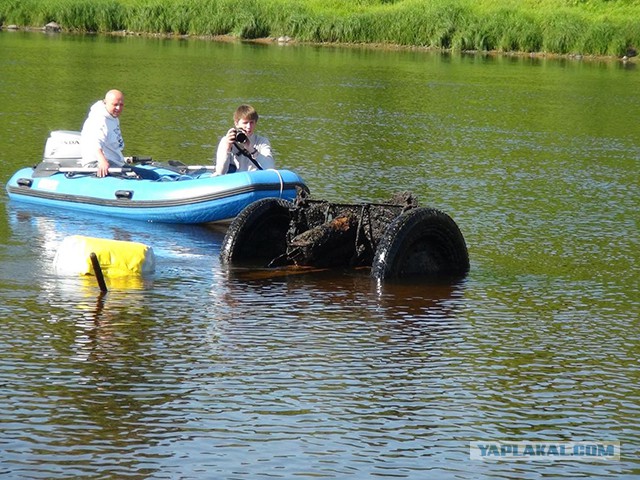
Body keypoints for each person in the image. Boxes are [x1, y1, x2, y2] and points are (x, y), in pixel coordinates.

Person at [215, 104, 275, 175]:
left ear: (255, 123)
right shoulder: (227, 141)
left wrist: (251, 150)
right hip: (235, 181)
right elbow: (220, 172)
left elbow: (270, 169)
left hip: (256, 179)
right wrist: (227, 148)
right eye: (245, 123)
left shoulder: (262, 142)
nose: (249, 127)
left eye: (251, 122)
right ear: (236, 123)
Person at [80, 89, 126, 177]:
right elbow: (94, 143)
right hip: (96, 163)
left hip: (114, 162)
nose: (118, 108)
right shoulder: (99, 119)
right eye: (115, 105)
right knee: (133, 177)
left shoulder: (113, 117)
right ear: (105, 103)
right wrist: (102, 161)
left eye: (121, 105)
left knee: (149, 175)